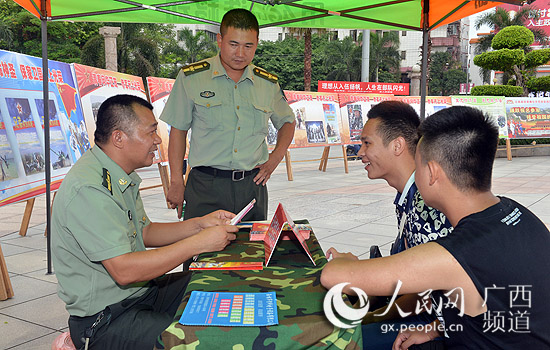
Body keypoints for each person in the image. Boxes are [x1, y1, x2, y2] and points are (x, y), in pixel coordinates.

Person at [321, 106, 550, 349]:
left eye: (417, 167)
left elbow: (332, 275)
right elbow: (497, 301)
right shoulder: (517, 213)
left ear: (431, 173)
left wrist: (347, 263)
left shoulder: (454, 253)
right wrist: (435, 328)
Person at [51, 95, 238, 350]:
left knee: (221, 284)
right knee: (207, 341)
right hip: (108, 318)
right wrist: (197, 244)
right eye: (151, 132)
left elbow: (145, 232)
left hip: (140, 295)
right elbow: (124, 271)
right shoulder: (90, 188)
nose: (158, 139)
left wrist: (200, 224)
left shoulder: (117, 174)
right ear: (119, 138)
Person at [160, 8, 296, 220]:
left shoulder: (267, 84)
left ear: (257, 44)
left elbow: (288, 122)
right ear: (220, 40)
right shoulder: (192, 78)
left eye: (248, 46)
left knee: (252, 251)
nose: (240, 54)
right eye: (233, 44)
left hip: (252, 187)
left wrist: (275, 158)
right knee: (200, 251)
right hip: (206, 186)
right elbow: (178, 131)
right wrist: (176, 181)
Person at [356, 100, 453, 348]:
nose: (360, 152)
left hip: (438, 326)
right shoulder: (411, 195)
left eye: (367, 143)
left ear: (397, 145)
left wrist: (369, 318)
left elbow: (426, 295)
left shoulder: (426, 204)